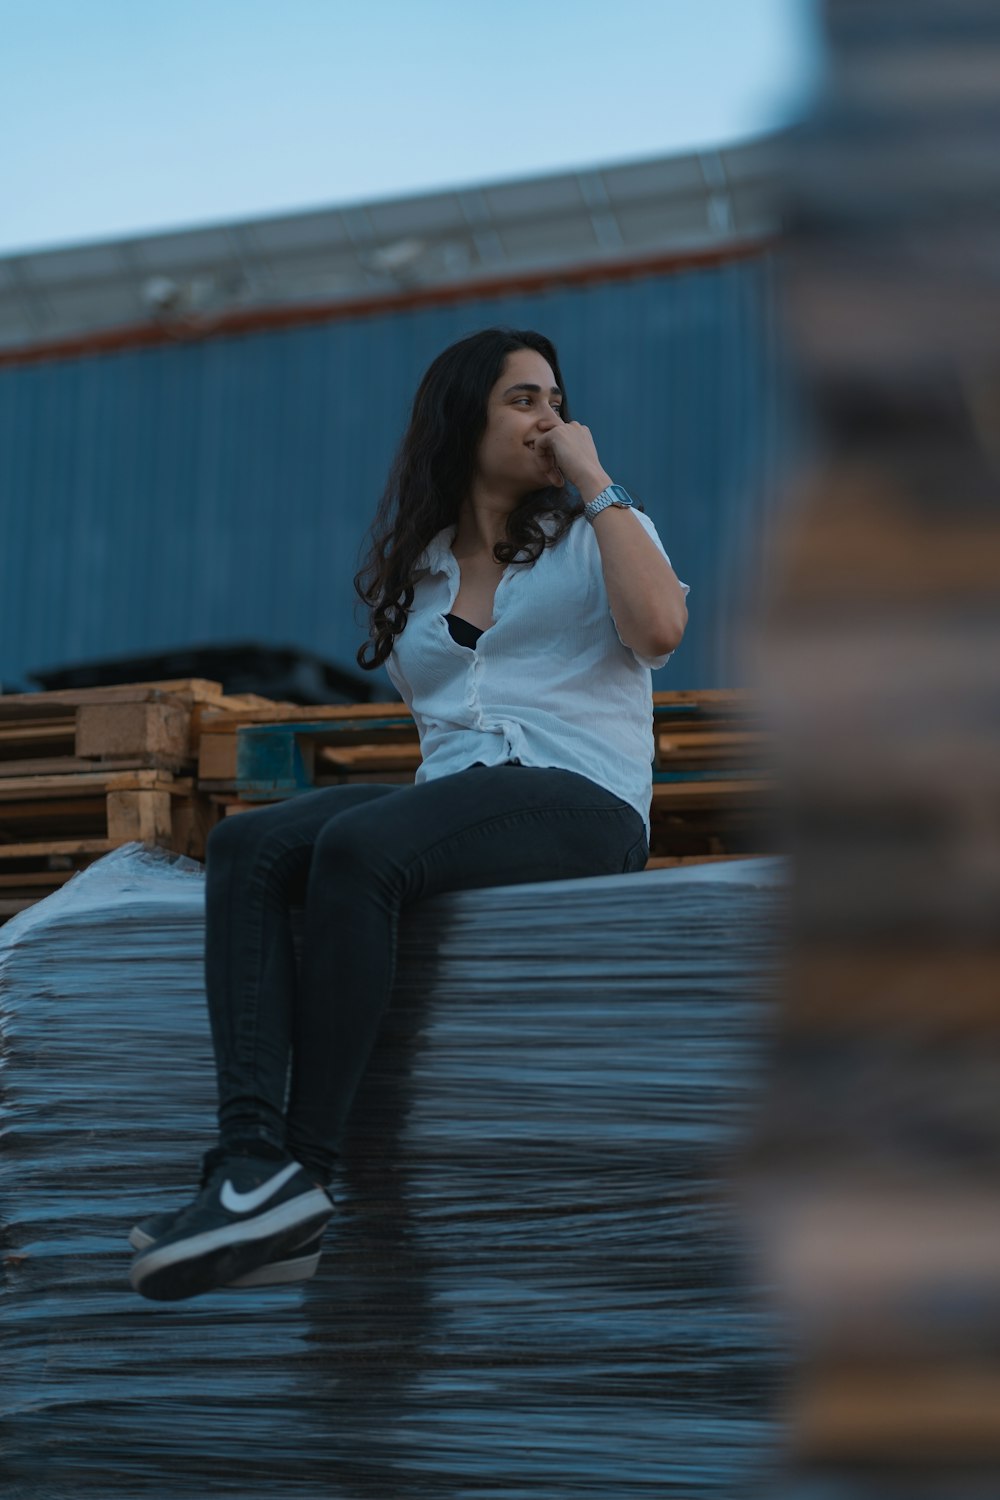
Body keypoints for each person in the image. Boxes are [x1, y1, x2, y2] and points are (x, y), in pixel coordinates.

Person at [128, 326, 690, 1301]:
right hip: (466, 798)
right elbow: (447, 732)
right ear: (460, 416)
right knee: (247, 842)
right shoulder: (420, 568)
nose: (547, 417)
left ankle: (306, 1173)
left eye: (555, 398)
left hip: (581, 799)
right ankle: (249, 1163)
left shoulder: (598, 531)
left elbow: (661, 632)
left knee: (360, 845)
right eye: (522, 399)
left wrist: (596, 479)